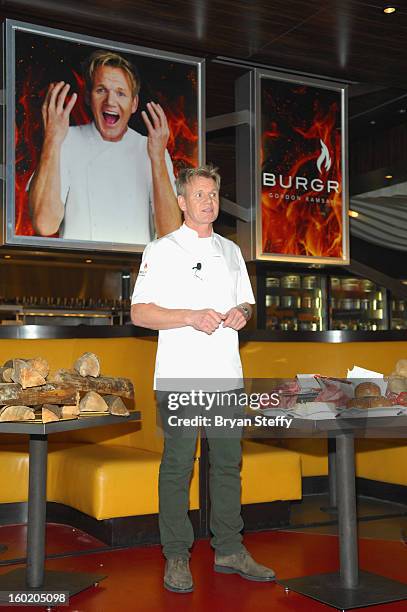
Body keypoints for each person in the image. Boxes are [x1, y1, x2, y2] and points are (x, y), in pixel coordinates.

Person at [131, 164, 275, 593]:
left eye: (213, 194)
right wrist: (190, 317)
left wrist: (241, 314)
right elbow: (140, 312)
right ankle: (176, 555)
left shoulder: (231, 251)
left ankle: (230, 548)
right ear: (181, 201)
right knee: (178, 466)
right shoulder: (159, 250)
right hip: (178, 377)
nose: (208, 201)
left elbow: (248, 306)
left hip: (226, 378)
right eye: (199, 194)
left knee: (229, 465)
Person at [29, 50, 181, 244]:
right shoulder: (65, 141)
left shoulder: (153, 149)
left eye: (120, 93)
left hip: (138, 270)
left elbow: (171, 235)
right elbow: (44, 224)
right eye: (101, 90)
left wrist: (157, 159)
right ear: (88, 98)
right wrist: (51, 139)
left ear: (134, 104)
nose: (110, 101)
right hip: (81, 270)